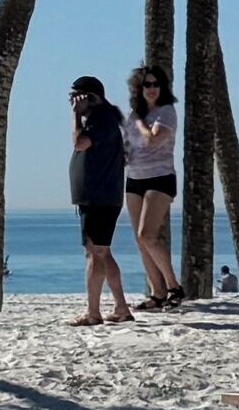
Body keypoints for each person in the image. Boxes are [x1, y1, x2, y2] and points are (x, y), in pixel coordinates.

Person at [69, 74, 134, 326]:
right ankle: (121, 307)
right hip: (97, 196)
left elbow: (79, 143)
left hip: (99, 197)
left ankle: (93, 312)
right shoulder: (103, 120)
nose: (73, 103)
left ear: (89, 98)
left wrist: (75, 116)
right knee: (102, 252)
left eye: (76, 97)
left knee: (95, 253)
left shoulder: (101, 120)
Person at [123, 62, 183, 308]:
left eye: (156, 84)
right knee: (139, 239)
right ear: (138, 87)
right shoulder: (135, 115)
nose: (152, 88)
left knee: (147, 235)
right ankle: (157, 293)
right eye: (147, 84)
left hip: (159, 178)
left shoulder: (165, 111)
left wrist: (138, 122)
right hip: (134, 178)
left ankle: (174, 287)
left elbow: (151, 141)